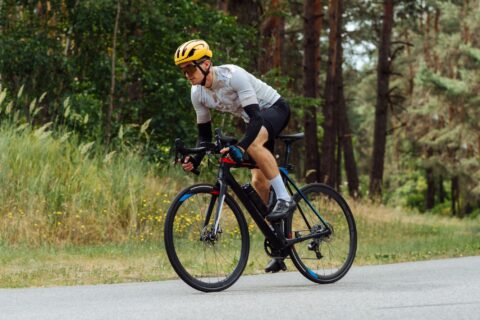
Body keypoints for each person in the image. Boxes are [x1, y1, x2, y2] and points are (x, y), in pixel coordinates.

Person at [174, 39, 295, 273]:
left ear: (206, 64)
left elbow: (257, 118)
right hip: (254, 121)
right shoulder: (197, 94)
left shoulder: (232, 76)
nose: (187, 74)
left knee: (252, 145)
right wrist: (195, 158)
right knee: (259, 183)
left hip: (273, 110)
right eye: (184, 70)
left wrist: (241, 146)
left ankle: (285, 198)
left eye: (190, 68)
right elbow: (205, 138)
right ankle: (281, 243)